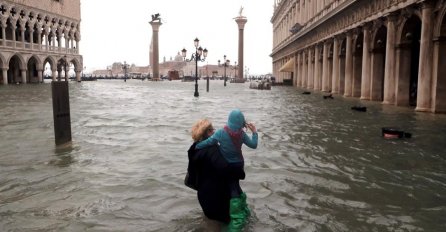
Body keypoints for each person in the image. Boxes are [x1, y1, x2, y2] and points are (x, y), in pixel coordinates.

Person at [195, 109, 258, 231]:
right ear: (241, 122)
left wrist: (197, 146)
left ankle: (236, 221)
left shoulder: (220, 133)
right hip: (239, 165)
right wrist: (254, 132)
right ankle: (245, 210)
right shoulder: (242, 134)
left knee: (233, 188)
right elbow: (253, 145)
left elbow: (209, 142)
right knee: (236, 186)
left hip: (227, 167)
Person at [186, 119, 245, 224]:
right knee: (222, 224)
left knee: (211, 224)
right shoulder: (212, 149)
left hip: (203, 196)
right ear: (207, 133)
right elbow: (225, 168)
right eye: (211, 130)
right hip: (217, 198)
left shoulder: (194, 149)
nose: (214, 132)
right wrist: (241, 173)